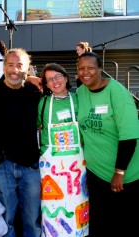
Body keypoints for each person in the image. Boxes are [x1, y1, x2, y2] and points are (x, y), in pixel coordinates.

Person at [76, 52, 139, 237]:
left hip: (124, 176)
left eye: (90, 68)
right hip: (96, 173)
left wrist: (119, 172)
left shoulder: (117, 93)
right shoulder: (80, 92)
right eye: (81, 68)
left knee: (123, 224)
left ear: (100, 69)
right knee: (99, 224)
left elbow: (128, 137)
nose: (85, 72)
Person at [0, 48, 42, 237]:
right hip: (3, 165)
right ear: (4, 67)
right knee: (5, 219)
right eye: (10, 65)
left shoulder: (35, 93)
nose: (15, 70)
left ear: (27, 68)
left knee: (32, 219)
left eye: (20, 65)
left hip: (30, 165)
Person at [37, 63, 89, 237]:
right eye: (50, 79)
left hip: (76, 168)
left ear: (66, 78)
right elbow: (36, 126)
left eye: (58, 77)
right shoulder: (43, 103)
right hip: (51, 167)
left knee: (77, 206)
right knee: (51, 208)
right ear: (46, 84)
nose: (55, 82)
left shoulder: (78, 99)